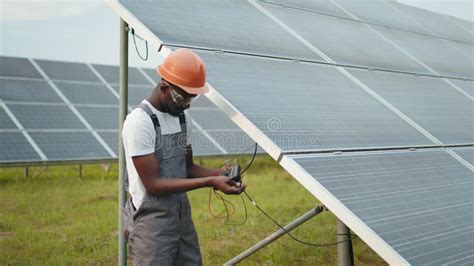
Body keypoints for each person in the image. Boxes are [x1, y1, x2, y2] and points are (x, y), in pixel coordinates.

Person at [121, 48, 245, 265]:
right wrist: (210, 181)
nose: (187, 104)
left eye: (192, 98)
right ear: (164, 88)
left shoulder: (182, 118)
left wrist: (219, 174)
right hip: (151, 222)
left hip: (180, 216)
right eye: (182, 97)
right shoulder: (140, 123)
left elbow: (186, 167)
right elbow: (153, 184)